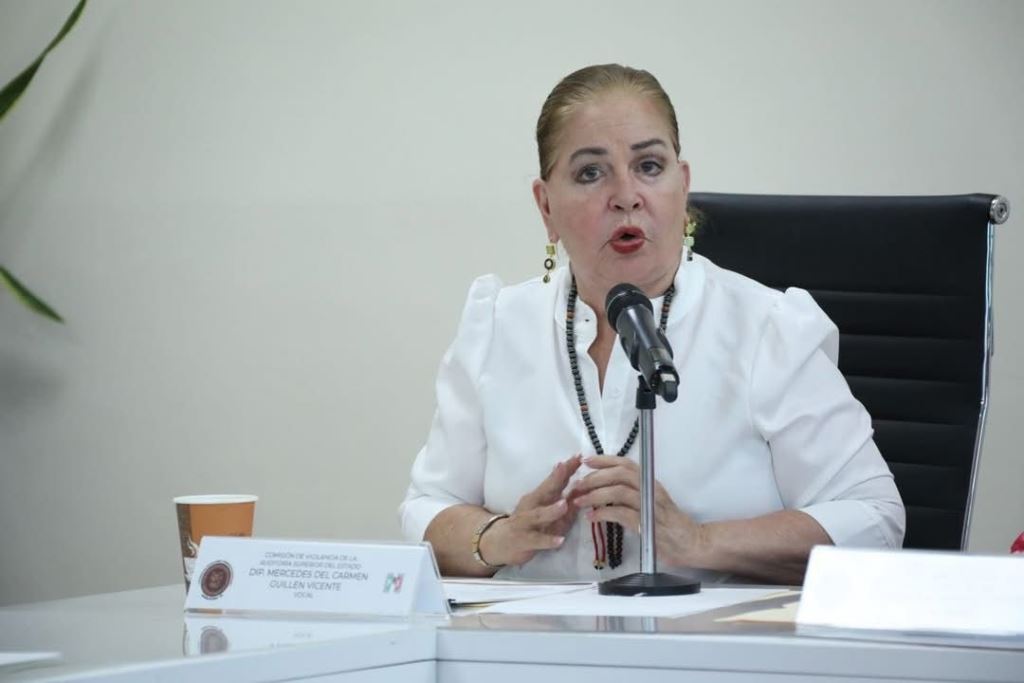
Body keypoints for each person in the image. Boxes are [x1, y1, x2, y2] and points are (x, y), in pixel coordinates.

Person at [399, 64, 905, 585]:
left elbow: (874, 519)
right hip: (534, 635)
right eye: (590, 173)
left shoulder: (767, 329)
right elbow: (427, 507)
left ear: (682, 187)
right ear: (545, 206)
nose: (626, 194)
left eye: (649, 165)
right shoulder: (497, 327)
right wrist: (498, 537)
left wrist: (698, 541)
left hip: (707, 637)